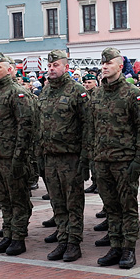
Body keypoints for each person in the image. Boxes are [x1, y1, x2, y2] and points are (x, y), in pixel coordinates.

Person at [91, 47, 140, 269]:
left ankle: (128, 248)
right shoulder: (97, 93)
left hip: (124, 160)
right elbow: (92, 127)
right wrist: (92, 156)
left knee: (127, 207)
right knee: (111, 206)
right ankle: (115, 245)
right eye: (103, 63)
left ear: (120, 65)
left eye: (109, 63)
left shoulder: (132, 92)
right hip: (102, 160)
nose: (105, 66)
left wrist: (139, 160)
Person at [37, 49, 91, 262]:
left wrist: (85, 157)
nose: (51, 69)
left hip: (71, 157)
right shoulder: (46, 91)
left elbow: (87, 125)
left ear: (66, 67)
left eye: (55, 65)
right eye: (49, 66)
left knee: (73, 202)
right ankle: (62, 238)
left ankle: (73, 242)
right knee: (57, 202)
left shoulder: (77, 91)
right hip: (50, 157)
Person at [0, 53, 35, 256]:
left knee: (18, 198)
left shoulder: (17, 93)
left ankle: (18, 238)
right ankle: (8, 233)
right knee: (3, 199)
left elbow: (26, 127)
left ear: (10, 70)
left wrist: (19, 157)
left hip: (12, 157)